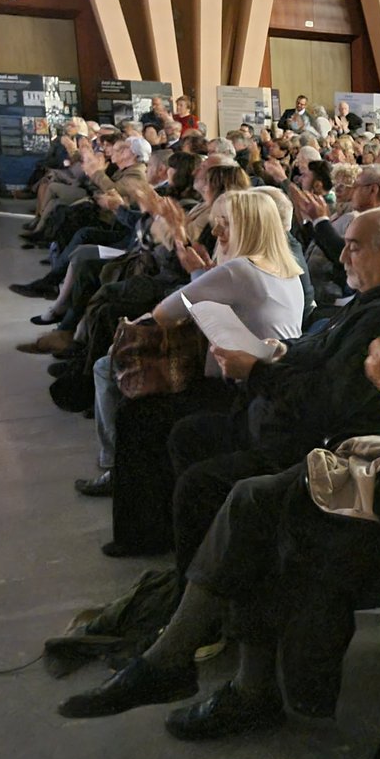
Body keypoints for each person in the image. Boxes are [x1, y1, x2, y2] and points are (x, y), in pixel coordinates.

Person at [58, 255, 380, 736]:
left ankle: (226, 684)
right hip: (377, 490)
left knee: (267, 525)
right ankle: (178, 660)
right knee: (251, 498)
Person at [161, 207, 380, 577]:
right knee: (189, 435)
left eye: (353, 248)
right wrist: (282, 350)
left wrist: (256, 372)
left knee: (199, 484)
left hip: (328, 451)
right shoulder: (376, 299)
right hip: (301, 424)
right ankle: (207, 565)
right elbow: (324, 345)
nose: (341, 257)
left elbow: (326, 404)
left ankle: (206, 593)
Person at [93, 191, 306, 552]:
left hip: (239, 390)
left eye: (226, 225)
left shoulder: (241, 269)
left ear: (247, 229)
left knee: (137, 417)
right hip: (266, 390)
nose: (219, 233)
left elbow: (165, 313)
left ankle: (143, 533)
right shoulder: (288, 270)